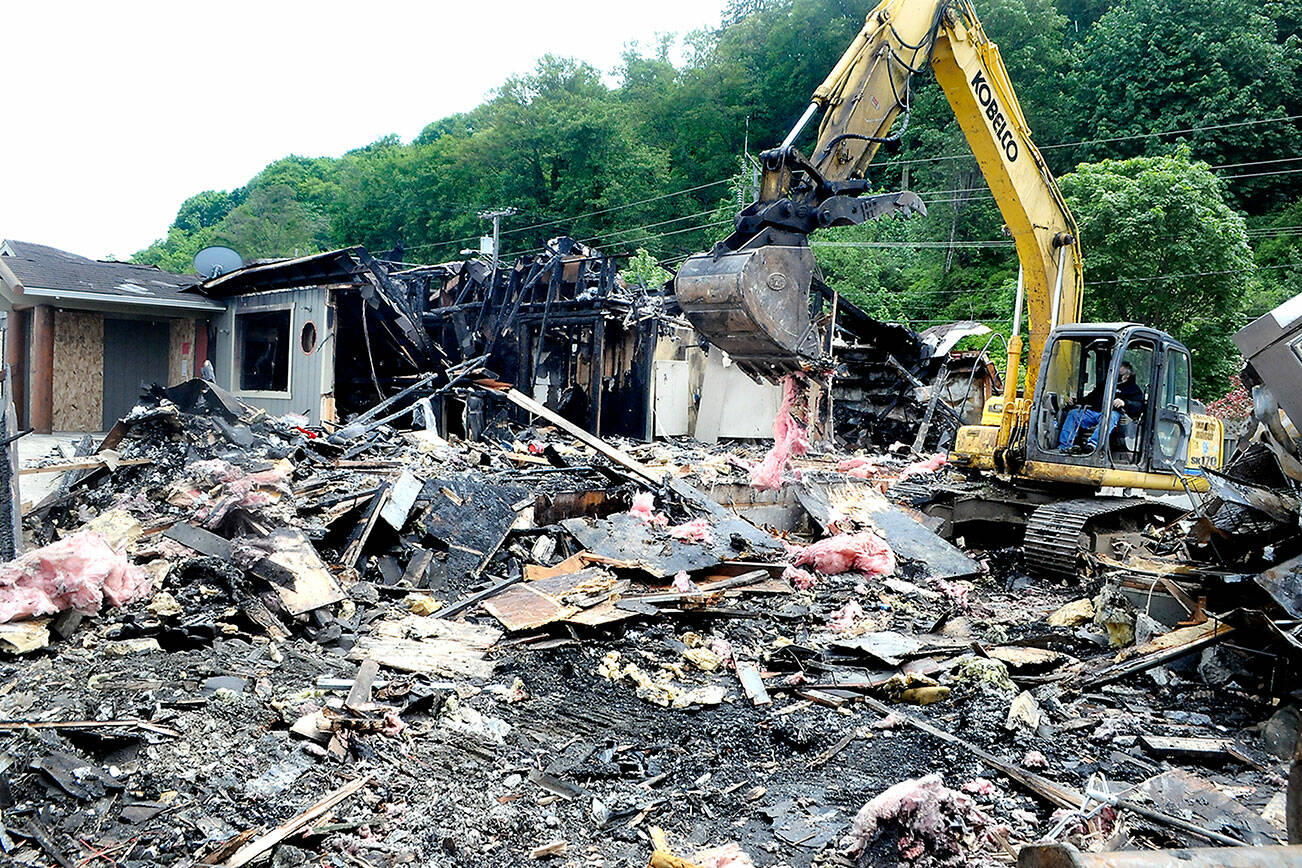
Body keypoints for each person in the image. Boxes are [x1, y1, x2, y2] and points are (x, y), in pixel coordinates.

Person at [1058, 361, 1146, 453]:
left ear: (1128, 374)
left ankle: (1093, 445)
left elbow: (1139, 405)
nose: (1118, 376)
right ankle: (1065, 446)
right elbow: (1091, 397)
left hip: (1113, 412)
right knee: (1074, 414)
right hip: (1094, 411)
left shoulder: (1133, 389)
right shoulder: (1106, 384)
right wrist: (1077, 401)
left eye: (1120, 374)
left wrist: (1124, 402)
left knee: (1110, 417)